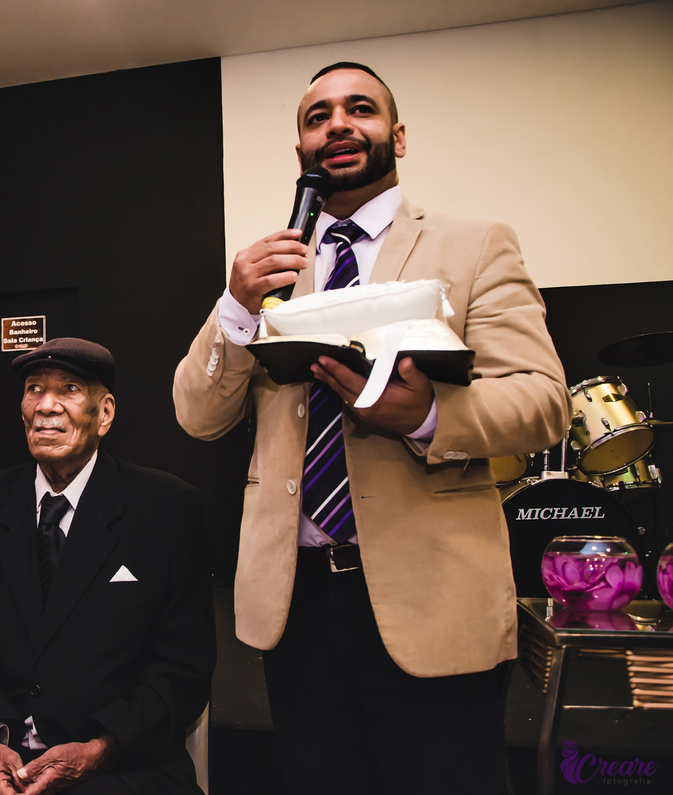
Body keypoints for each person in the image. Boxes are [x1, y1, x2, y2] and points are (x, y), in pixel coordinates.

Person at [172, 63, 571, 794]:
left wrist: (421, 415)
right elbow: (198, 416)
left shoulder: (475, 244)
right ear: (302, 150)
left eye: (361, 109)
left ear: (398, 136)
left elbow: (544, 400)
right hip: (298, 610)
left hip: (435, 601)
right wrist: (234, 306)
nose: (339, 126)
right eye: (317, 117)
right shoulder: (269, 270)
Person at [0, 338, 215, 795]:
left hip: (117, 763)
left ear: (104, 413)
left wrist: (101, 746)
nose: (46, 406)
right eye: (33, 389)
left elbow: (184, 666)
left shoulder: (167, 510)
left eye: (68, 389)